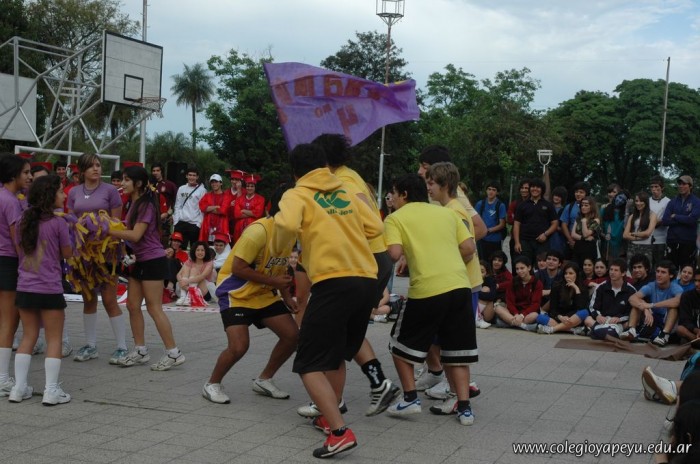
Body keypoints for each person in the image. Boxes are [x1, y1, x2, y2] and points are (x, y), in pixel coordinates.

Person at [271, 143, 383, 458]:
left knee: (307, 362)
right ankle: (328, 415)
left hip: (334, 281)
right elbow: (376, 227)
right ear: (325, 166)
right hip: (366, 281)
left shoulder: (297, 194)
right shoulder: (347, 190)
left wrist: (280, 250)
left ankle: (339, 432)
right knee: (335, 356)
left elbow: (285, 225)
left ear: (295, 172)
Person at [314, 133, 400, 417]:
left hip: (367, 260)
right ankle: (377, 384)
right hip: (373, 259)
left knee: (337, 333)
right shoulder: (347, 175)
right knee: (349, 331)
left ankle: (332, 403)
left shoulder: (344, 182)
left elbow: (370, 219)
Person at [383, 173, 478, 426]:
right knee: (456, 351)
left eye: (394, 193)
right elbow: (469, 247)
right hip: (460, 286)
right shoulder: (447, 213)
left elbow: (393, 254)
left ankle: (410, 398)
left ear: (404, 194)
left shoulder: (395, 218)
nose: (391, 198)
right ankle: (465, 409)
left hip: (427, 289)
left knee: (398, 345)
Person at [203, 184, 298, 404]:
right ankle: (212, 384)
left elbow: (280, 268)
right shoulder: (258, 231)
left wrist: (287, 297)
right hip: (236, 293)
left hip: (264, 294)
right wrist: (274, 282)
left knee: (292, 336)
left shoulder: (291, 232)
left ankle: (264, 380)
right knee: (239, 346)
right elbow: (238, 269)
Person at [108, 166, 185, 371]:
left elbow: (135, 235)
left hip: (153, 260)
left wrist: (109, 230)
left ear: (139, 183)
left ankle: (174, 353)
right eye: (122, 180)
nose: (122, 184)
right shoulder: (133, 202)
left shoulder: (146, 205)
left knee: (153, 308)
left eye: (126, 180)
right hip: (139, 261)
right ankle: (140, 351)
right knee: (132, 305)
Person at [9, 175, 73, 404]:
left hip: (25, 286)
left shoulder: (23, 219)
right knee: (54, 338)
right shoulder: (58, 223)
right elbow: (67, 253)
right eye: (61, 191)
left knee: (28, 336)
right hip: (50, 287)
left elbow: (19, 249)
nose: (64, 195)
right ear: (49, 196)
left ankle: (18, 388)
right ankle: (51, 391)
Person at [67, 153, 128, 365]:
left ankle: (122, 347)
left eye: (98, 165)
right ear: (82, 170)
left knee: (110, 299)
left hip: (106, 253)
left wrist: (98, 228)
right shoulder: (73, 192)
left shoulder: (110, 191)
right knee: (88, 299)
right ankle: (90, 345)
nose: (96, 169)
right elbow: (70, 219)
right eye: (91, 166)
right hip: (82, 255)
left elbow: (116, 221)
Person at [0, 155, 32, 397]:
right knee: (9, 322)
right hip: (9, 262)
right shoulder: (10, 201)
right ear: (13, 175)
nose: (30, 177)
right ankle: (2, 378)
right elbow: (16, 240)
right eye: (26, 172)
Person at [624, 260, 683, 346]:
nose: (659, 275)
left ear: (671, 275)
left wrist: (652, 305)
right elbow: (632, 298)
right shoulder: (651, 285)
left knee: (673, 308)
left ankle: (664, 335)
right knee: (638, 303)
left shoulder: (676, 287)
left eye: (663, 272)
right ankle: (631, 330)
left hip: (668, 320)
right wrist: (645, 309)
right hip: (653, 318)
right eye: (657, 271)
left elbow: (678, 301)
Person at [512, 178, 558, 264]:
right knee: (525, 266)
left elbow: (555, 223)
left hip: (542, 243)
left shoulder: (548, 205)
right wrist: (517, 242)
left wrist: (545, 234)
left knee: (541, 266)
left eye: (538, 187)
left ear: (542, 190)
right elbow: (516, 224)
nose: (535, 189)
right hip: (524, 242)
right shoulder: (522, 205)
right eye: (533, 187)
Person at [536, 262, 589, 334]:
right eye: (566, 273)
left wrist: (576, 289)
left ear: (577, 274)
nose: (567, 276)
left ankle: (552, 329)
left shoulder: (583, 288)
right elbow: (553, 309)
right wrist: (560, 317)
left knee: (584, 312)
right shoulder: (557, 286)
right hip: (559, 317)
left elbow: (581, 308)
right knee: (539, 317)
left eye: (571, 273)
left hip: (573, 318)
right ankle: (572, 330)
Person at [493, 256, 542, 330]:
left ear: (529, 268)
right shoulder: (513, 281)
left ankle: (509, 323)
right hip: (514, 313)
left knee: (535, 315)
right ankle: (523, 326)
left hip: (528, 313)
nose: (519, 271)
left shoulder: (537, 283)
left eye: (522, 268)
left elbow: (535, 304)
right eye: (517, 269)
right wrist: (516, 314)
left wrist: (522, 315)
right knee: (497, 308)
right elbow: (509, 301)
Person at [662, 176, 700, 269]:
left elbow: (692, 220)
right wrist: (685, 218)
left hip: (688, 242)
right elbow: (665, 220)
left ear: (690, 186)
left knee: (686, 271)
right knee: (671, 271)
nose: (681, 186)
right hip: (672, 240)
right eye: (679, 184)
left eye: (684, 184)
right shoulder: (672, 202)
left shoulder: (696, 202)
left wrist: (675, 216)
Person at [173, 166, 206, 250]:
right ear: (186, 176)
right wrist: (176, 221)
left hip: (194, 224)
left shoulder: (202, 190)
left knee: (194, 250)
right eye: (190, 175)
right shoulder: (181, 188)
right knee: (178, 249)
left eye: (194, 175)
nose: (192, 177)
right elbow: (177, 205)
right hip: (181, 223)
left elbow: (202, 209)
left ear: (197, 177)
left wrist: (198, 224)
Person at [175, 241, 216, 306]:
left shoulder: (209, 263)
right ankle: (183, 296)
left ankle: (189, 296)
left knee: (194, 270)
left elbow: (202, 276)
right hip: (187, 287)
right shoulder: (190, 261)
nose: (200, 252)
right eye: (198, 250)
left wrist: (186, 282)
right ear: (194, 251)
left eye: (202, 250)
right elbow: (179, 274)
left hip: (204, 291)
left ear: (206, 252)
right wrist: (181, 281)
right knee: (186, 269)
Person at [623, 191, 657, 265]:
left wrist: (631, 234)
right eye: (636, 201)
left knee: (645, 269)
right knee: (631, 269)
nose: (638, 203)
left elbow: (647, 233)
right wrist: (637, 238)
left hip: (646, 247)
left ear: (646, 202)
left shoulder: (652, 215)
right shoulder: (632, 216)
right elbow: (625, 235)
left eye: (641, 201)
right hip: (632, 247)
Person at [475, 181, 506, 261]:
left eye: (494, 190)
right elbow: (475, 220)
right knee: (482, 262)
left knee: (494, 262)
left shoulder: (500, 205)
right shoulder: (480, 204)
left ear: (497, 192)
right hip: (482, 239)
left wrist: (489, 230)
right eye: (489, 189)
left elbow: (502, 224)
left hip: (495, 239)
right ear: (486, 190)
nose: (491, 191)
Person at [560, 181, 591, 258]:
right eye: (576, 192)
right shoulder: (569, 206)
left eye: (581, 192)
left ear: (586, 193)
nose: (578, 194)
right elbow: (564, 224)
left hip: (587, 242)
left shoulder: (592, 206)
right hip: (572, 242)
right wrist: (570, 240)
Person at [151, 162, 177, 245]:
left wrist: (171, 214)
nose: (155, 173)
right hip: (150, 217)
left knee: (164, 241)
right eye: (153, 171)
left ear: (161, 172)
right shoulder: (148, 185)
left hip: (164, 218)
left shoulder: (170, 185)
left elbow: (177, 201)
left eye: (157, 170)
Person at [198, 173, 229, 243]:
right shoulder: (207, 195)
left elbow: (223, 210)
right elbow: (202, 207)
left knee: (219, 244)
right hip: (207, 225)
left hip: (221, 226)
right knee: (206, 245)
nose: (214, 184)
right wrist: (216, 207)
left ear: (221, 183)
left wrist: (208, 209)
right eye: (212, 182)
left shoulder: (226, 196)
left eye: (216, 182)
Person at [649, 175, 671, 267]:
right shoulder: (647, 201)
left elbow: (667, 219)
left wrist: (655, 222)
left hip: (661, 239)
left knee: (659, 266)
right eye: (652, 187)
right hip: (647, 239)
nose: (654, 189)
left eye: (656, 186)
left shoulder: (668, 201)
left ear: (662, 188)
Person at [507, 179, 530, 262]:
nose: (524, 190)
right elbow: (510, 220)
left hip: (529, 239)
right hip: (515, 238)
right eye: (522, 188)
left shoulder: (534, 204)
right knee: (515, 262)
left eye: (526, 188)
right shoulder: (514, 204)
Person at [601, 187, 626, 260]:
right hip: (606, 244)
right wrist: (603, 235)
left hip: (620, 246)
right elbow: (599, 226)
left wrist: (627, 210)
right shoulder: (604, 208)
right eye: (610, 192)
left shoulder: (625, 213)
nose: (611, 194)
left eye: (614, 192)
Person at [676, 268, 700, 343]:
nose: (696, 284)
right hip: (694, 331)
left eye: (699, 281)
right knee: (680, 329)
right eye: (695, 281)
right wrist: (697, 330)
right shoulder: (687, 296)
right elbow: (685, 320)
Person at [223, 169, 245, 243]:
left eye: (237, 180)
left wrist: (239, 190)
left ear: (240, 181)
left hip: (240, 222)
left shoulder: (245, 192)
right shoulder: (226, 192)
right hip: (227, 222)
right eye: (232, 179)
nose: (234, 182)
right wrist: (230, 205)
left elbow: (243, 206)